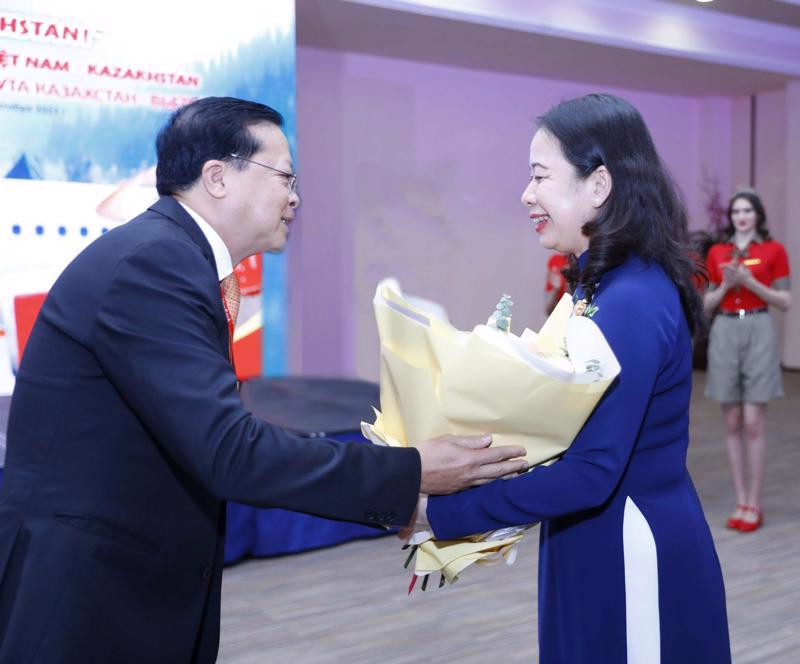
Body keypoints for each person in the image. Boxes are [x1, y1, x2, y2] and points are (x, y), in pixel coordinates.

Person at [0, 97, 528, 664]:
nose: (295, 195)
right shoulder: (154, 264)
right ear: (218, 177)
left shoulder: (172, 257)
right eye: (284, 176)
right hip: (86, 596)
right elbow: (229, 450)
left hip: (125, 579)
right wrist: (413, 474)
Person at [410, 94, 731, 663]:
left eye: (539, 176)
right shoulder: (599, 287)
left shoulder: (631, 299)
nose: (526, 194)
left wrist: (441, 513)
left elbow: (591, 474)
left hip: (630, 542)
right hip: (587, 535)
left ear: (599, 185)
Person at [703, 189, 791, 533]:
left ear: (758, 215)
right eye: (736, 211)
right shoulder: (717, 252)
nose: (741, 216)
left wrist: (751, 281)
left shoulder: (774, 250)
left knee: (754, 421)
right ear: (731, 217)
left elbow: (785, 299)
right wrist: (726, 285)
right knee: (733, 420)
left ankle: (755, 501)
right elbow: (706, 305)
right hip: (725, 329)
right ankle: (740, 499)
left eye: (748, 210)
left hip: (759, 327)